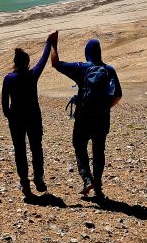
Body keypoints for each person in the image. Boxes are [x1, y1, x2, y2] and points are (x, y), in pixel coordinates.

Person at [51, 34, 122, 200]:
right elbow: (118, 95)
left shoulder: (81, 68)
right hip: (102, 119)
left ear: (87, 52)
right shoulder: (109, 70)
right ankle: (97, 185)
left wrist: (53, 43)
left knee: (79, 145)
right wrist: (104, 108)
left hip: (84, 118)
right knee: (99, 152)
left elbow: (55, 63)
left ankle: (87, 178)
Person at [1, 32, 57, 197]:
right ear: (26, 62)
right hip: (33, 118)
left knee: (20, 149)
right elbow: (43, 59)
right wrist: (49, 42)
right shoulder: (32, 75)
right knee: (36, 148)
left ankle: (24, 181)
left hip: (16, 119)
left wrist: (8, 115)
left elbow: (4, 102)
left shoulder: (8, 79)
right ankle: (38, 177)